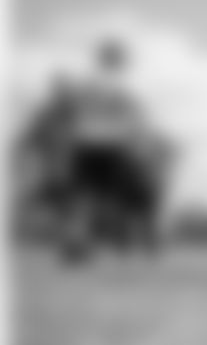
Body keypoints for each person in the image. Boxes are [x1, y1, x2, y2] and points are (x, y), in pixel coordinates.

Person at [59, 38, 163, 253]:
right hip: (113, 147)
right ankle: (146, 236)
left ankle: (76, 240)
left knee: (84, 196)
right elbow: (134, 120)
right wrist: (140, 142)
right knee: (135, 194)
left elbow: (70, 113)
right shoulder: (122, 88)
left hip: (84, 145)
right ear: (119, 61)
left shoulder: (84, 85)